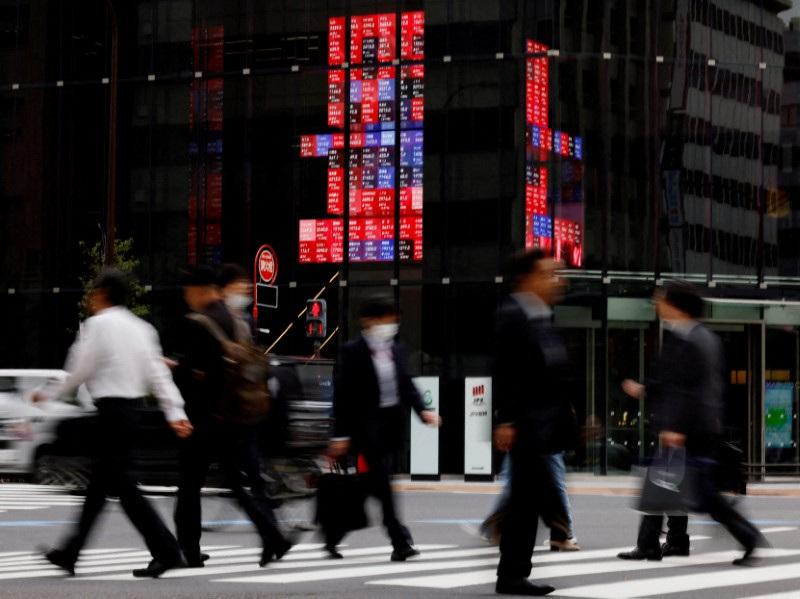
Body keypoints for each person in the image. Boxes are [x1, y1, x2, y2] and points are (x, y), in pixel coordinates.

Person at [34, 268, 193, 578]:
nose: (90, 301)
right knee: (99, 487)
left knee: (124, 487)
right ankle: (71, 552)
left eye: (93, 294)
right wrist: (176, 414)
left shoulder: (98, 326)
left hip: (110, 413)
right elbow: (158, 376)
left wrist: (47, 392)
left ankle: (167, 550)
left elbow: (79, 370)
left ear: (102, 294)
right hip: (131, 412)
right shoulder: (143, 329)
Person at [617, 282, 768, 566]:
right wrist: (645, 389)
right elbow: (673, 382)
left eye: (661, 299)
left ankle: (748, 536)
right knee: (662, 484)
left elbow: (695, 389)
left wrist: (679, 428)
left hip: (690, 430)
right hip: (687, 427)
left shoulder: (694, 340)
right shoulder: (689, 336)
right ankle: (652, 544)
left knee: (705, 496)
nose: (656, 303)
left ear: (677, 306)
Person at [172, 265, 290, 568]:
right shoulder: (237, 322)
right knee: (237, 484)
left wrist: (176, 369)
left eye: (188, 294)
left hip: (203, 421)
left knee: (189, 486)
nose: (189, 300)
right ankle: (272, 535)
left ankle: (189, 550)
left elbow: (194, 375)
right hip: (236, 417)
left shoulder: (196, 323)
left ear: (197, 292)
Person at [328, 294, 441, 561]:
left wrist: (423, 411)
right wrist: (341, 435)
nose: (392, 324)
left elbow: (406, 384)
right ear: (369, 321)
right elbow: (343, 396)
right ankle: (400, 542)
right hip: (365, 430)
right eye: (387, 319)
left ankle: (334, 533)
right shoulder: (352, 351)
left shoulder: (396, 349)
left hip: (391, 428)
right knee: (384, 486)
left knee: (368, 487)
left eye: (394, 319)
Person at [493, 249, 576, 597]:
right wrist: (506, 419)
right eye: (548, 273)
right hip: (524, 423)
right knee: (530, 497)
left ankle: (512, 571)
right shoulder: (512, 315)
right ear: (527, 278)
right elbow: (504, 371)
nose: (556, 280)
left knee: (526, 498)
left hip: (544, 425)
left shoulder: (542, 316)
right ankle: (513, 572)